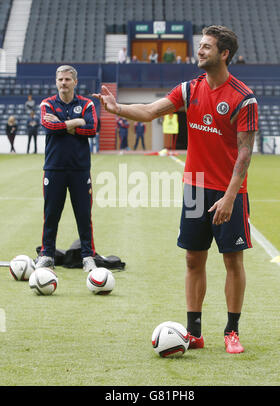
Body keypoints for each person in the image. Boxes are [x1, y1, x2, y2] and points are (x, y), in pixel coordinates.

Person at [93, 25, 258, 354]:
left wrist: (229, 197)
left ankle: (231, 331)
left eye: (207, 47)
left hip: (229, 193)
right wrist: (117, 108)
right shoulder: (189, 89)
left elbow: (244, 153)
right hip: (195, 188)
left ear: (224, 54)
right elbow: (151, 111)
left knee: (232, 262)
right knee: (193, 260)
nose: (200, 51)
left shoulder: (243, 97)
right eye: (200, 45)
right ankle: (194, 332)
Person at [37, 65, 98, 273]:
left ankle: (88, 256)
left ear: (75, 82)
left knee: (83, 215)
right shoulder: (47, 104)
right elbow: (49, 127)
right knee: (51, 214)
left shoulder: (87, 103)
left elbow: (92, 128)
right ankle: (47, 255)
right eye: (60, 79)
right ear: (56, 82)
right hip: (54, 168)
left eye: (67, 80)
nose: (63, 83)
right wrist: (75, 123)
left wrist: (63, 124)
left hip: (80, 169)